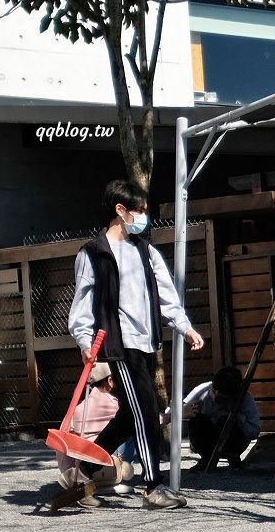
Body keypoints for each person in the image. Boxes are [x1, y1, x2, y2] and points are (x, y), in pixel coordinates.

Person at [67, 179, 205, 510]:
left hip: (146, 342)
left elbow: (167, 295)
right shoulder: (93, 254)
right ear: (120, 210)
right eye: (140, 210)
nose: (144, 217)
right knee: (146, 412)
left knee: (130, 417)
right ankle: (152, 487)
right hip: (118, 344)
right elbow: (82, 305)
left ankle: (82, 470)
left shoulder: (146, 251)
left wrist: (184, 327)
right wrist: (85, 341)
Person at [54, 362, 134, 506]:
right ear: (110, 381)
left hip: (67, 464)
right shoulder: (109, 402)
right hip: (85, 464)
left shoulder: (81, 400)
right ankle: (107, 479)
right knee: (130, 428)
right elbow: (146, 418)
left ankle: (85, 481)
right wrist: (175, 413)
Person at [173, 366, 260, 470]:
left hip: (234, 443)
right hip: (208, 440)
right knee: (196, 419)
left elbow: (254, 432)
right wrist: (184, 411)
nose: (215, 397)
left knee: (225, 420)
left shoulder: (245, 399)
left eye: (222, 397)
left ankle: (233, 458)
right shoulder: (202, 390)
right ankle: (206, 458)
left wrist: (236, 416)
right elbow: (172, 411)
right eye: (213, 391)